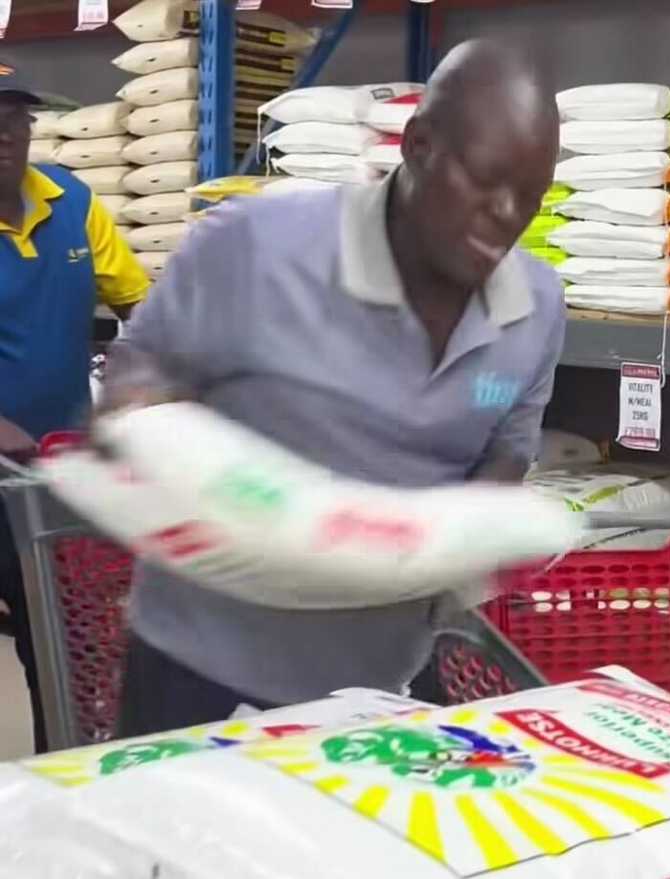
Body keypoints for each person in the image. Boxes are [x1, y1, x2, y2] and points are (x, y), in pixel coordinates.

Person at [105, 39, 564, 736]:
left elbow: (505, 449)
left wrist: (455, 543)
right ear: (418, 145)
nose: (506, 214)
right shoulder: (256, 248)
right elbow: (136, 372)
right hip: (201, 670)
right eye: (487, 180)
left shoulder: (536, 304)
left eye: (528, 197)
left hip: (384, 680)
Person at [0, 60, 150, 752]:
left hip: (54, 472)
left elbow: (140, 302)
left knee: (60, 640)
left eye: (13, 117)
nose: (3, 131)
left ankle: (57, 771)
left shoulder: (70, 199)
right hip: (11, 460)